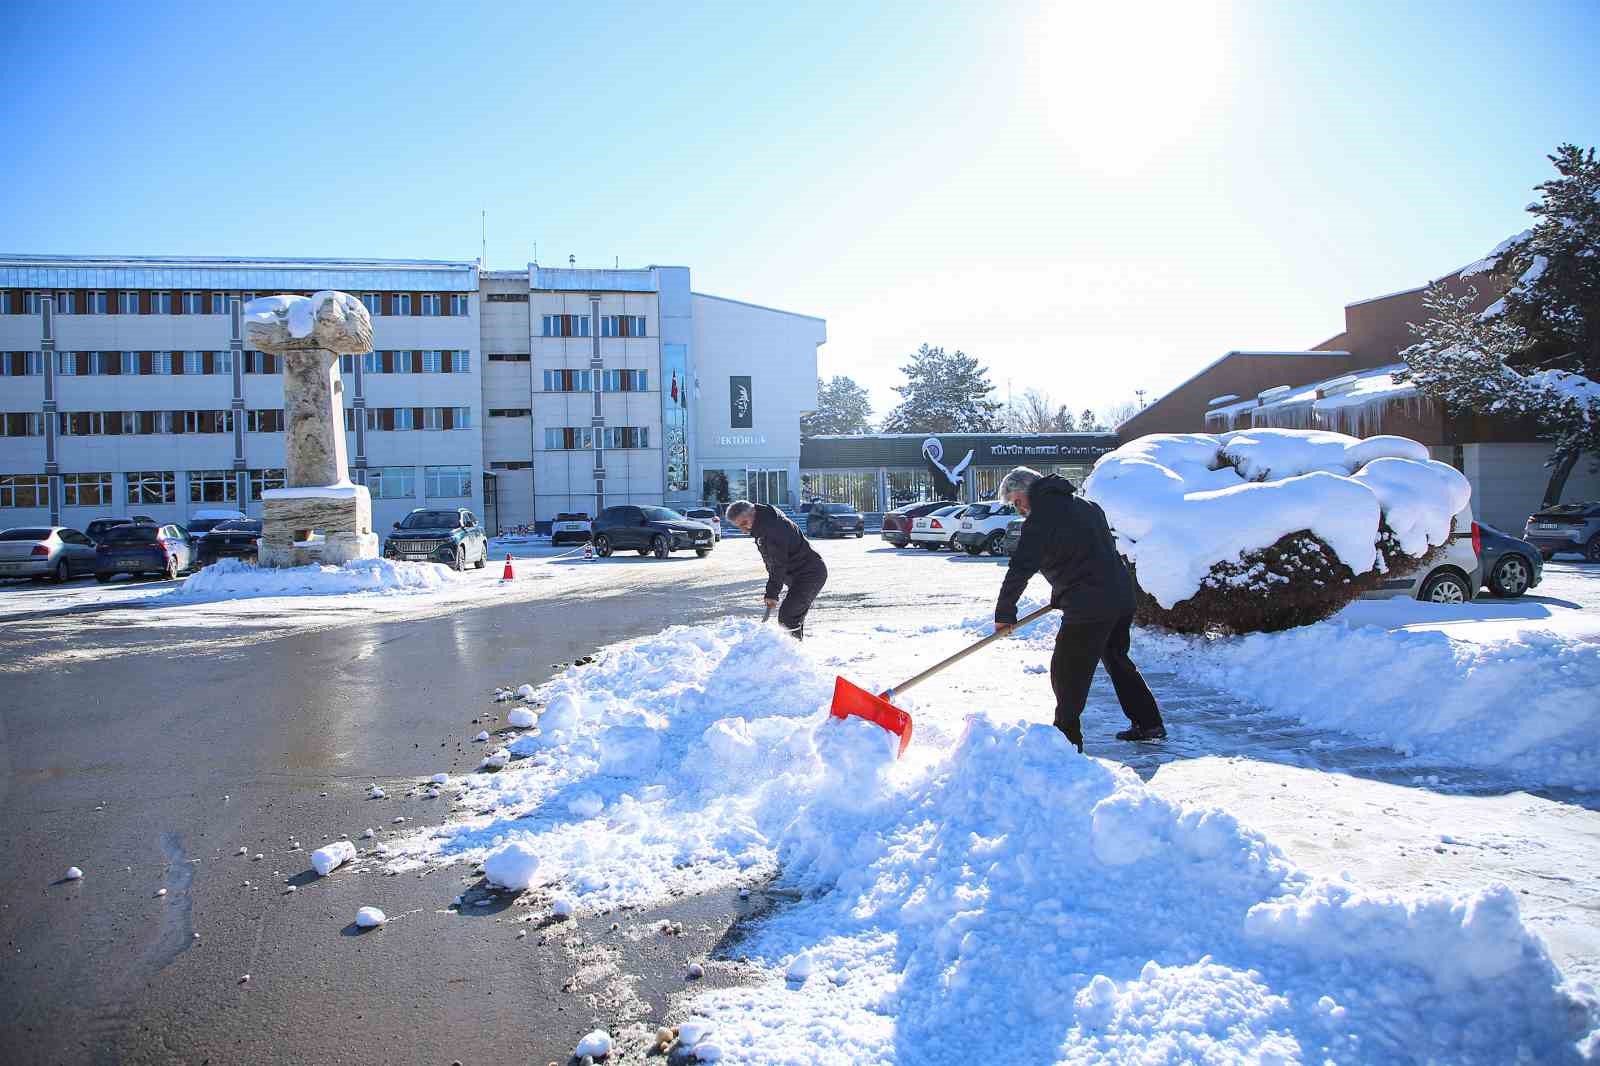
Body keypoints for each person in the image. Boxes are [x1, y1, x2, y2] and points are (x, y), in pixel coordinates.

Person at [993, 466, 1166, 752]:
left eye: (1017, 501)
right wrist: (1063, 593)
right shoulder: (1087, 507)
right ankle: (1149, 723)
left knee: (1067, 670)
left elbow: (1022, 568)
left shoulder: (1040, 519)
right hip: (1120, 597)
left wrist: (1004, 614)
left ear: (1027, 491)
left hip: (1090, 606)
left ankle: (1066, 739)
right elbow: (1087, 554)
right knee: (1117, 659)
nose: (1018, 508)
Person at [727, 499, 827, 640]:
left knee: (788, 617)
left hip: (810, 574)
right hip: (797, 575)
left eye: (744, 523)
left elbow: (778, 565)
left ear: (754, 512)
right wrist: (773, 591)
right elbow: (772, 562)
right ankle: (795, 651)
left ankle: (792, 653)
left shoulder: (775, 529)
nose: (744, 530)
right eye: (739, 527)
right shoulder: (762, 527)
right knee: (793, 616)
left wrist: (772, 593)